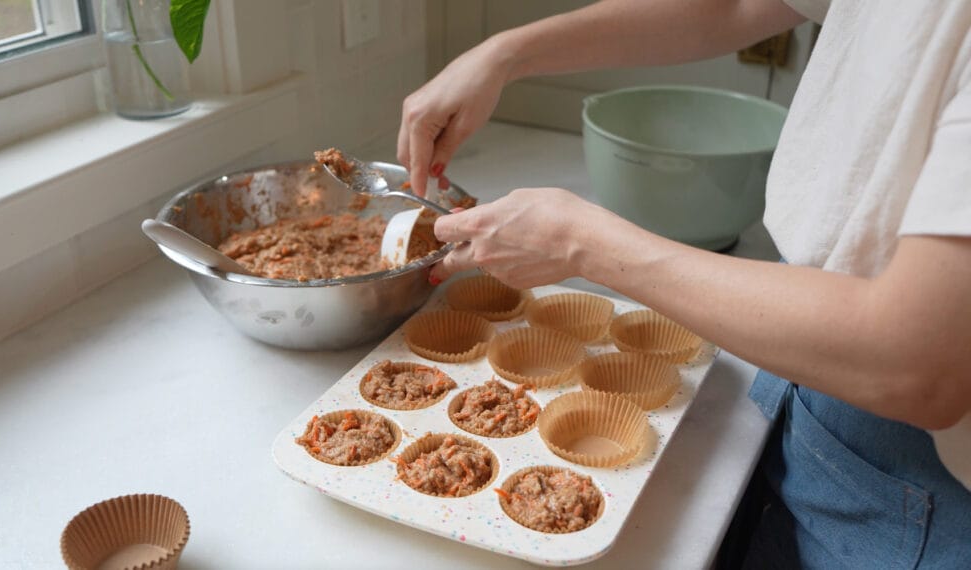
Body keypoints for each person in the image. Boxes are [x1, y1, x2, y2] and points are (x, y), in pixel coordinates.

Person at [396, 0, 971, 567]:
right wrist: (504, 54)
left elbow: (914, 363)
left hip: (921, 484)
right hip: (803, 381)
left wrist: (581, 242)